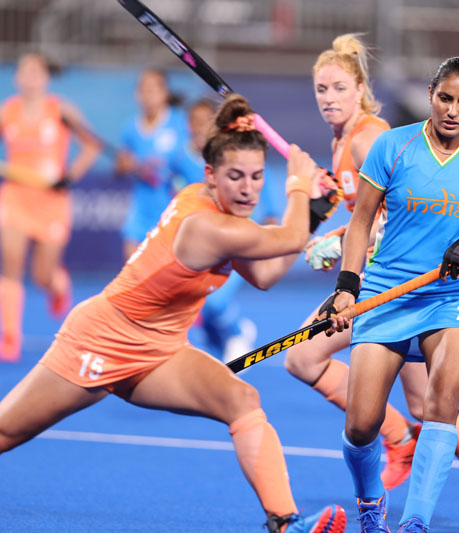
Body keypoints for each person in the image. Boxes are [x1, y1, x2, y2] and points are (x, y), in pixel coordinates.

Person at [0, 94, 346, 533]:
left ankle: (285, 522)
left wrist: (311, 212)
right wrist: (299, 184)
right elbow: (290, 239)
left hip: (159, 350)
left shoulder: (225, 217)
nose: (248, 188)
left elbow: (263, 276)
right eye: (235, 176)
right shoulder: (205, 225)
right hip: (101, 340)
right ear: (210, 175)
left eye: (257, 176)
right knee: (7, 431)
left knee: (242, 401)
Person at [292, 37, 459, 532]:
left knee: (438, 405)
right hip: (385, 293)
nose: (452, 110)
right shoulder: (393, 146)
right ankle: (371, 505)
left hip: (450, 299)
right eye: (445, 98)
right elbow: (363, 222)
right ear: (431, 94)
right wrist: (347, 286)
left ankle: (416, 522)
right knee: (361, 425)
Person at [0, 52, 101, 362]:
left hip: (51, 203)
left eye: (36, 71)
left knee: (42, 276)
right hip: (15, 197)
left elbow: (92, 145)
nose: (30, 77)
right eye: (24, 71)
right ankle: (9, 337)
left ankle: (57, 285)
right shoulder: (8, 112)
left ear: (45, 77)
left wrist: (69, 178)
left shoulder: (61, 110)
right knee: (11, 267)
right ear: (17, 77)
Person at [169, 98, 258, 361]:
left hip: (232, 242)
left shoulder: (232, 158)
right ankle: (218, 358)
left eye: (205, 122)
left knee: (214, 301)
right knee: (198, 309)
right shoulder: (178, 158)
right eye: (195, 122)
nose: (199, 127)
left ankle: (238, 332)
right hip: (199, 246)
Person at [116, 69, 187, 260]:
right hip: (140, 208)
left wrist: (166, 172)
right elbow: (120, 168)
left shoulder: (181, 125)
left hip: (171, 208)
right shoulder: (130, 128)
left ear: (165, 93)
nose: (148, 95)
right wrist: (128, 165)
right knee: (131, 266)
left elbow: (191, 166)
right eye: (143, 90)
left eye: (153, 89)